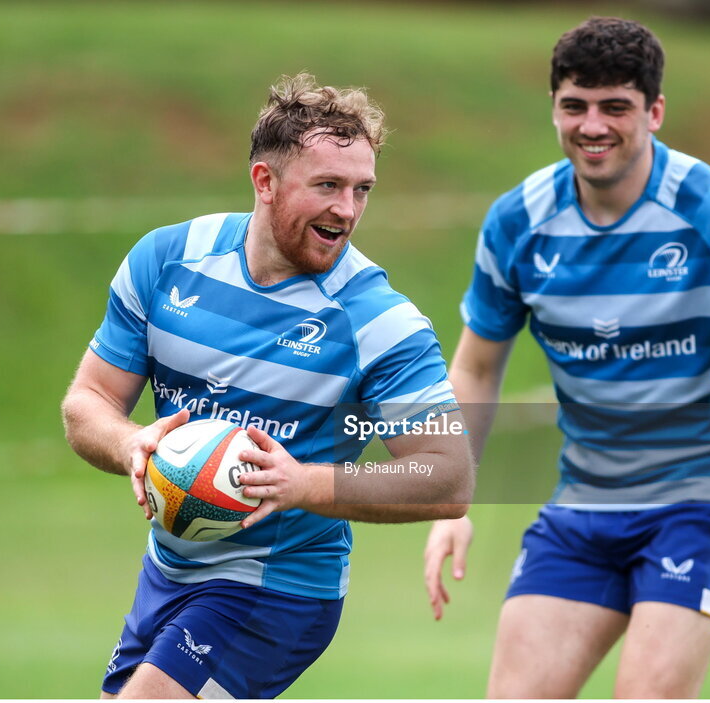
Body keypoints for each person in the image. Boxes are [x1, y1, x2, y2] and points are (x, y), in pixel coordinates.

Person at [423, 17, 710, 699]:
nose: (592, 125)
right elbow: (476, 368)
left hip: (700, 498)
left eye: (615, 107)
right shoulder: (517, 223)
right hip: (586, 504)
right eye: (574, 105)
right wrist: (453, 500)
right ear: (554, 109)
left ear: (654, 112)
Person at [62, 73, 472, 699]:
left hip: (278, 587)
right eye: (328, 186)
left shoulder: (378, 321)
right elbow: (87, 403)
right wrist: (131, 444)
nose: (348, 209)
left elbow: (449, 476)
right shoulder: (167, 260)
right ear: (265, 181)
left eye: (362, 189)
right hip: (168, 571)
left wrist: (300, 483)